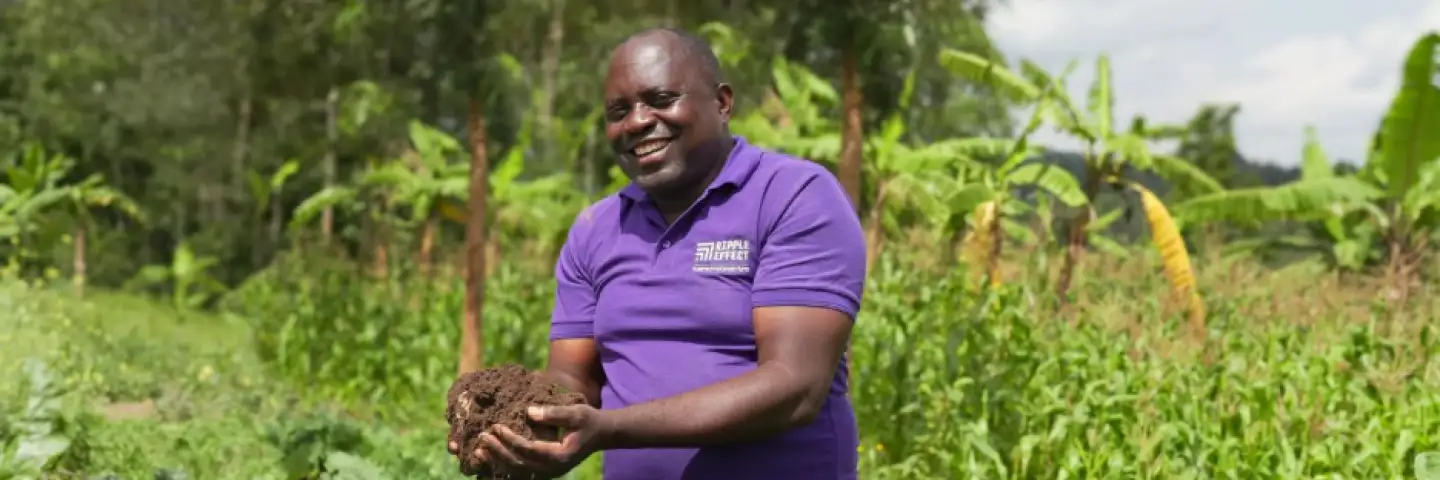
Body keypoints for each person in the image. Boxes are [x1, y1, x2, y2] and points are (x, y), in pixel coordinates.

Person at [447, 27, 867, 480]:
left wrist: (610, 429)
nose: (637, 122)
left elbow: (795, 386)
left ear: (722, 103)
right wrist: (514, 422)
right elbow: (574, 384)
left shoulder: (792, 197)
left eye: (661, 99)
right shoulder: (596, 230)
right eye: (618, 111)